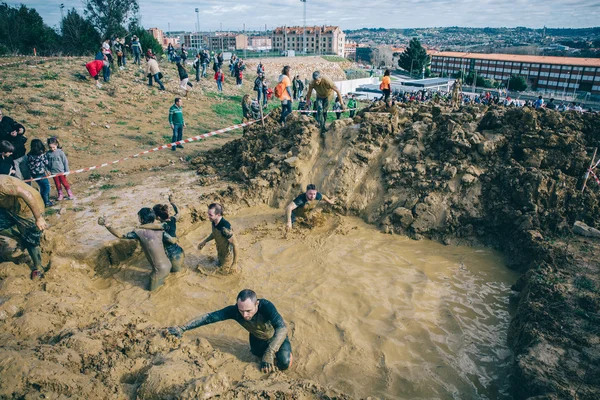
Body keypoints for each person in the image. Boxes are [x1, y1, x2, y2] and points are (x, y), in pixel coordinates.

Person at [166, 289, 292, 373]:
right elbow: (209, 317)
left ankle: (287, 354)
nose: (244, 315)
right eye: (241, 310)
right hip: (257, 339)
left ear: (257, 304)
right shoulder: (234, 311)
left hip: (277, 338)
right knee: (256, 360)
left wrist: (270, 352)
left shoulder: (266, 307)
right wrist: (182, 328)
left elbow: (282, 328)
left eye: (248, 311)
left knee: (284, 363)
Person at [98, 208, 178, 291]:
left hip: (159, 271)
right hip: (168, 265)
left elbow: (121, 235)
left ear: (142, 219)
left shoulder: (138, 232)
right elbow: (173, 240)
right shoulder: (160, 229)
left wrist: (107, 225)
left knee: (151, 292)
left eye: (139, 217)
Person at [0, 175, 47, 279]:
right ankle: (20, 239)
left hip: (29, 207)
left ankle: (38, 267)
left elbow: (26, 194)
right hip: (10, 208)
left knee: (31, 239)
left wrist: (38, 218)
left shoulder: (2, 185)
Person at [197, 203, 238, 272]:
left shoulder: (225, 228)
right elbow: (214, 234)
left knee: (225, 274)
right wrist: (204, 241)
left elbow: (236, 244)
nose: (208, 217)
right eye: (208, 214)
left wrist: (234, 263)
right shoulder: (214, 222)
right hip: (220, 253)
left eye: (210, 215)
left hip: (227, 257)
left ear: (218, 214)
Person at [153, 194, 184, 272]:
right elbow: (178, 213)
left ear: (158, 218)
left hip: (172, 256)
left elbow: (153, 228)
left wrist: (141, 227)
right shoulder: (173, 219)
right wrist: (172, 203)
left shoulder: (162, 226)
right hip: (179, 251)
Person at [27, 139, 53, 207]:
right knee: (46, 186)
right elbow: (46, 163)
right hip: (40, 173)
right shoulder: (41, 154)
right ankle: (46, 201)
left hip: (33, 174)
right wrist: (48, 170)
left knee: (42, 186)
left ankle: (43, 200)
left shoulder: (29, 155)